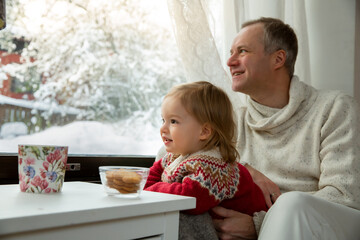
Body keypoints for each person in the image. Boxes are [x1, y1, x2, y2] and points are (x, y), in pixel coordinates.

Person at [210, 17, 360, 239]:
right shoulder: (231, 121)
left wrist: (258, 223)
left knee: (293, 204)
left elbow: (344, 195)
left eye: (242, 51)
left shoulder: (335, 108)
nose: (230, 61)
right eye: (231, 52)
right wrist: (245, 170)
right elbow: (175, 161)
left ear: (278, 59)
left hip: (332, 225)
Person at [144, 81, 268, 239]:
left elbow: (190, 199)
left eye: (173, 121)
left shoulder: (215, 165)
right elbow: (147, 183)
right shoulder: (175, 156)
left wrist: (153, 190)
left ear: (204, 131)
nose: (163, 128)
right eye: (163, 120)